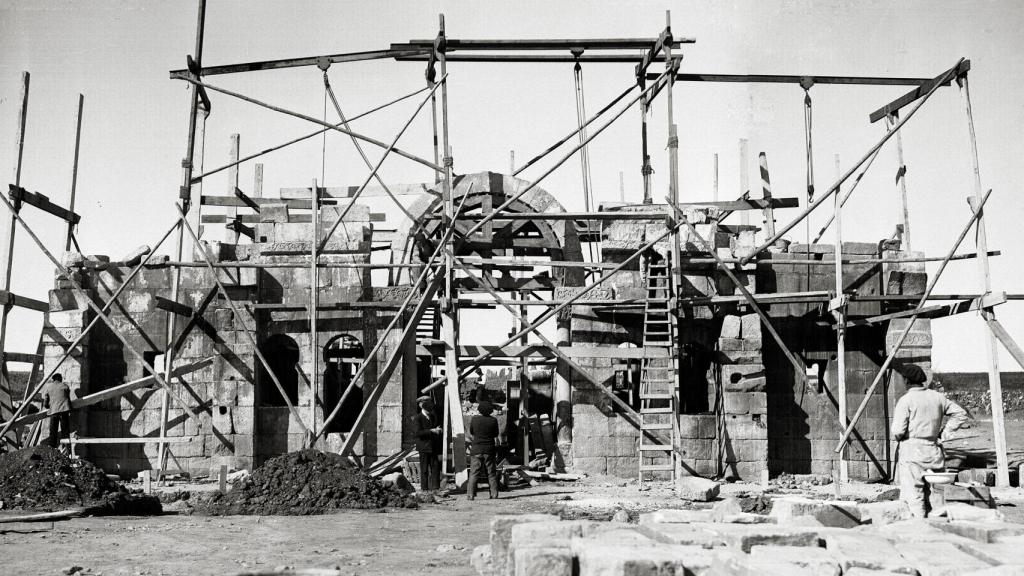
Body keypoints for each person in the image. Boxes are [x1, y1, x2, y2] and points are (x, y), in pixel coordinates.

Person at [892, 363, 968, 518]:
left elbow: (898, 431)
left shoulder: (906, 401)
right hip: (934, 451)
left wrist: (899, 437)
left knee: (914, 498)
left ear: (906, 380)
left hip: (912, 453)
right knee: (935, 496)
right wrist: (943, 434)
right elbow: (960, 414)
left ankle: (920, 532)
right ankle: (939, 529)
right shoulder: (937, 397)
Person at [467, 400, 500, 500]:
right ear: (490, 410)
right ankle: (494, 494)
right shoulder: (493, 420)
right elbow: (495, 434)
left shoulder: (474, 419)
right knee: (491, 473)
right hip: (489, 449)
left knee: (474, 473)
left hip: (476, 449)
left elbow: (471, 432)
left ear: (479, 409)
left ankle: (470, 495)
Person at [411, 395, 442, 492]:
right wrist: (431, 431)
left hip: (433, 446)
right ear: (423, 409)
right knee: (424, 469)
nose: (430, 412)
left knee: (436, 468)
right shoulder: (417, 418)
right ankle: (424, 489)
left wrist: (438, 430)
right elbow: (417, 433)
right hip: (423, 447)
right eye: (428, 410)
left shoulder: (432, 416)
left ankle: (436, 488)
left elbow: (436, 426)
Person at [41, 374, 72, 449]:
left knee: (53, 431)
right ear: (60, 379)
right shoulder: (65, 386)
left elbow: (45, 403)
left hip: (54, 411)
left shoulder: (49, 387)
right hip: (64, 410)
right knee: (65, 431)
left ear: (53, 380)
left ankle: (52, 448)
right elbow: (67, 398)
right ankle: (66, 448)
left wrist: (49, 406)